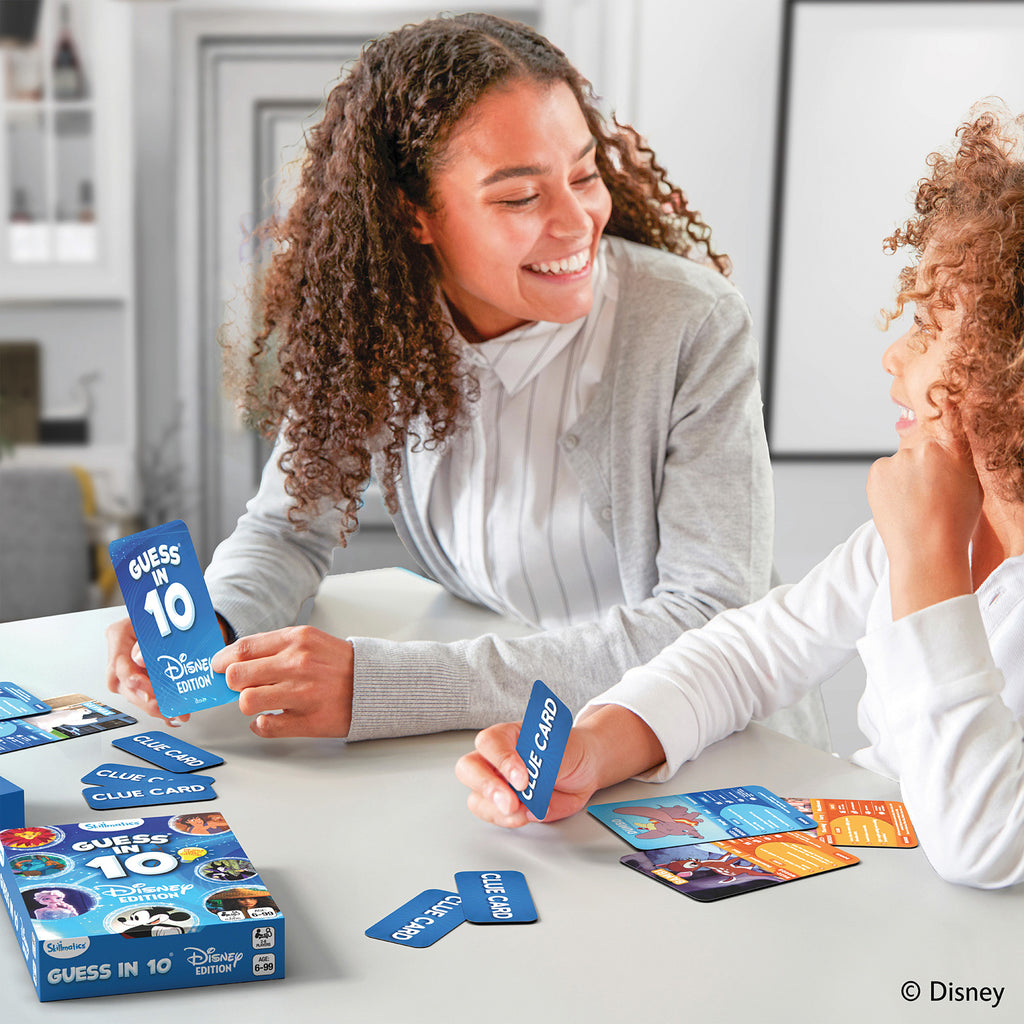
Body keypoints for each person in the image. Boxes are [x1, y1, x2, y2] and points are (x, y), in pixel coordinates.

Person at [105, 12, 824, 745]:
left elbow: (709, 622)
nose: (578, 223)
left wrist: (385, 686)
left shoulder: (688, 321)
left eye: (584, 174)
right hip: (518, 740)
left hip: (710, 741)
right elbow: (288, 531)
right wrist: (214, 623)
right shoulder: (381, 323)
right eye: (520, 196)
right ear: (413, 217)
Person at [457, 106, 1024, 889]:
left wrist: (927, 556)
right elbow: (750, 653)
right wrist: (599, 742)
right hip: (887, 899)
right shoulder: (936, 525)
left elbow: (984, 843)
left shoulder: (928, 533)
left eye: (929, 328)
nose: (894, 353)